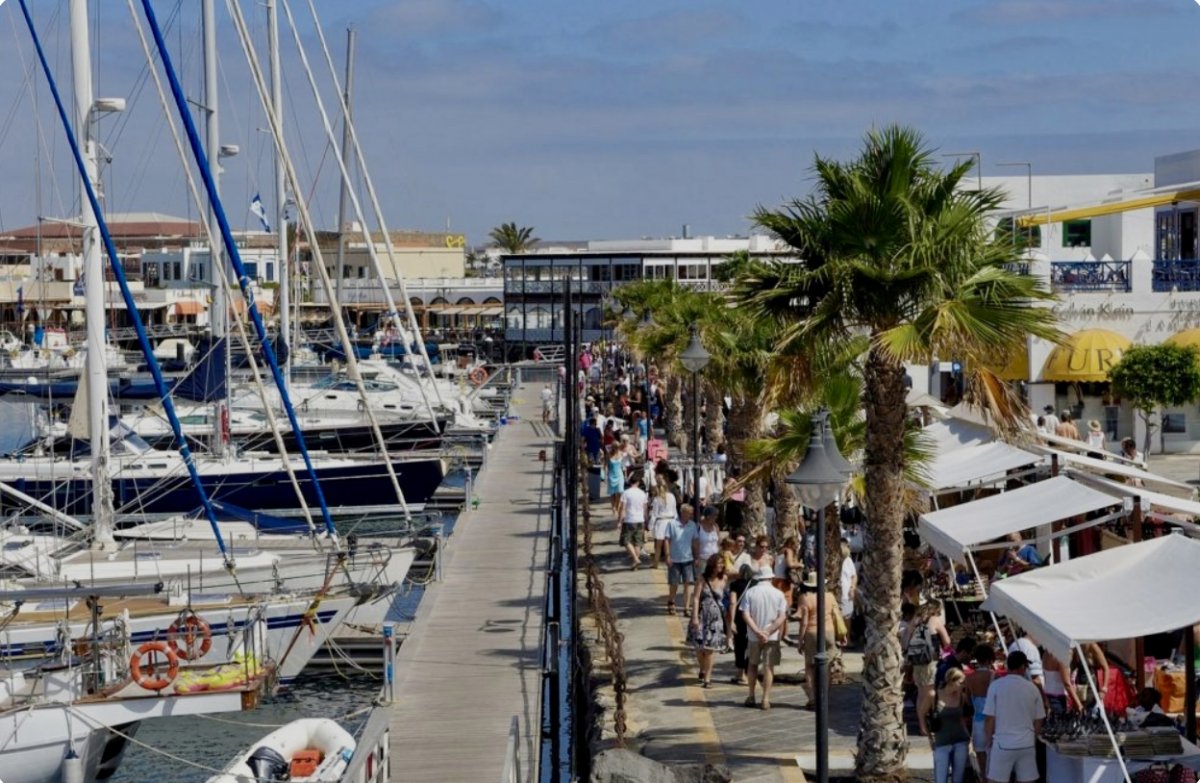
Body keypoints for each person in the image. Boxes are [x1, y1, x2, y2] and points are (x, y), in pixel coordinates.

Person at [983, 650, 1045, 783]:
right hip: (1026, 743)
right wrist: (1033, 739)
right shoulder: (1032, 688)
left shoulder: (996, 686)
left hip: (1002, 743)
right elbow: (1039, 719)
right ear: (1022, 667)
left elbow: (989, 718)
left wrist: (988, 741)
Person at [739, 567, 788, 710]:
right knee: (768, 667)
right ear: (771, 578)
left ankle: (751, 695)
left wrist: (758, 631)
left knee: (752, 665)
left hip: (754, 636)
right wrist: (768, 631)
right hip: (771, 636)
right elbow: (782, 617)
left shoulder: (750, 592)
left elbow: (745, 615)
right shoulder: (778, 594)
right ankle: (766, 699)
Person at [795, 571, 844, 711]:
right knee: (827, 666)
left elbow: (804, 621)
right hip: (829, 632)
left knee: (810, 666)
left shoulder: (805, 597)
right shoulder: (829, 596)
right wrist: (842, 634)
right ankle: (824, 698)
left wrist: (800, 640)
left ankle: (812, 699)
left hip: (811, 632)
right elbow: (837, 615)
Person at [905, 600, 952, 734]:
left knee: (921, 693)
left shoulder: (915, 620)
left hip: (917, 662)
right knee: (931, 692)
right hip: (930, 662)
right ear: (936, 609)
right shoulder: (935, 620)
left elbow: (905, 641)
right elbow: (947, 641)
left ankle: (923, 726)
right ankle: (925, 722)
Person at [689, 553, 729, 688]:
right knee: (700, 648)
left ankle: (707, 678)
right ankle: (702, 667)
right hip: (701, 616)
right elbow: (695, 598)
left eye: (722, 563)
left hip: (716, 619)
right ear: (712, 564)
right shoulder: (702, 578)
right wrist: (694, 616)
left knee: (710, 649)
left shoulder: (724, 578)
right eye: (718, 563)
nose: (721, 566)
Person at [930, 667, 972, 783]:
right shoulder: (935, 695)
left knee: (958, 778)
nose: (963, 685)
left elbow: (963, 718)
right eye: (961, 682)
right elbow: (923, 714)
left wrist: (968, 735)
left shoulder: (962, 697)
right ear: (952, 681)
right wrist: (929, 736)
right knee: (941, 778)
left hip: (960, 741)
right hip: (942, 741)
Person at [965, 644, 997, 778]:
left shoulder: (969, 678)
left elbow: (967, 699)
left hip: (977, 719)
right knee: (993, 752)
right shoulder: (993, 676)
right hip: (994, 719)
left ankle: (984, 777)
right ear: (990, 659)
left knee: (979, 751)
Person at [664, 504, 698, 615]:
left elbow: (694, 542)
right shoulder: (672, 524)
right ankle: (671, 602)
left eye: (691, 513)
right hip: (675, 559)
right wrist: (668, 555)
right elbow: (667, 540)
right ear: (683, 513)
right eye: (689, 513)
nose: (691, 515)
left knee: (688, 584)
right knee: (674, 583)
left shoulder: (692, 525)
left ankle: (687, 607)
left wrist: (696, 557)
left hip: (688, 559)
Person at [727, 563, 752, 686]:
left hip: (739, 617)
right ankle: (744, 673)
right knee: (749, 646)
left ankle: (741, 673)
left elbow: (732, 603)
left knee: (739, 646)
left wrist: (731, 622)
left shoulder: (734, 585)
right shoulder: (755, 585)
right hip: (752, 618)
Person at [616, 474, 649, 569]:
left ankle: (635, 559)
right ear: (638, 482)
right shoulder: (642, 493)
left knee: (626, 540)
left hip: (629, 520)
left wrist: (619, 521)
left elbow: (622, 509)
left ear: (630, 482)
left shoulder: (626, 493)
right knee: (638, 542)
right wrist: (646, 520)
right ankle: (635, 564)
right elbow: (645, 509)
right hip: (640, 520)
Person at [649, 481, 678, 569]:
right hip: (671, 521)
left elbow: (654, 514)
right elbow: (675, 510)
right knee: (669, 544)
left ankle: (656, 563)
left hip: (661, 522)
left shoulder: (657, 499)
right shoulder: (672, 496)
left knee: (658, 546)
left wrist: (650, 526)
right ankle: (670, 562)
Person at [838, 540, 857, 628]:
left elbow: (854, 576)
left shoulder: (848, 561)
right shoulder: (834, 561)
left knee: (847, 618)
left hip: (846, 595)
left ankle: (847, 640)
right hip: (836, 595)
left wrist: (852, 588)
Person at [606, 444, 625, 518]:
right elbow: (606, 465)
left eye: (617, 447)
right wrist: (605, 475)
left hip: (619, 475)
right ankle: (613, 507)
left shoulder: (621, 453)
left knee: (620, 492)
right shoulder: (609, 455)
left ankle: (617, 507)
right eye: (615, 447)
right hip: (611, 475)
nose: (616, 449)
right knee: (612, 493)